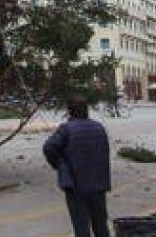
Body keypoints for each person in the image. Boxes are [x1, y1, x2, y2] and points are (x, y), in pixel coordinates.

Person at [42, 95, 112, 237]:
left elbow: (49, 147)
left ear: (70, 111)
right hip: (99, 184)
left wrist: (59, 165)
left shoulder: (66, 129)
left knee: (81, 226)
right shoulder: (99, 128)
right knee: (101, 225)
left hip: (76, 185)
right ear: (86, 110)